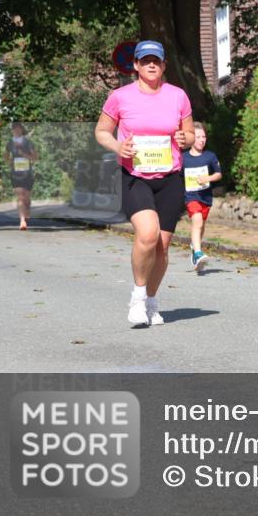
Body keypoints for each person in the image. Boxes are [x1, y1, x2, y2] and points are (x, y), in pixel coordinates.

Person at [94, 40, 193, 327]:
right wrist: (118, 146)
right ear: (136, 65)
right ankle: (137, 298)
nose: (151, 65)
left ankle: (151, 301)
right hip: (135, 177)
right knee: (148, 234)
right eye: (145, 60)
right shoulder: (120, 97)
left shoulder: (178, 96)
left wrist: (184, 139)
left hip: (170, 178)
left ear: (163, 65)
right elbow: (102, 131)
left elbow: (189, 134)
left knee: (162, 247)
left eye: (156, 61)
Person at [182, 121, 222, 272]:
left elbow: (218, 174)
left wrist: (208, 178)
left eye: (203, 137)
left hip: (205, 198)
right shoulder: (183, 158)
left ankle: (195, 247)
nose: (201, 140)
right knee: (197, 221)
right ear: (191, 138)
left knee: (201, 225)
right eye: (198, 137)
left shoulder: (210, 156)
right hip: (191, 197)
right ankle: (198, 253)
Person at [4, 122, 39, 230]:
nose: (17, 130)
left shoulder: (28, 142)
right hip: (16, 174)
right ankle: (22, 221)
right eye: (15, 129)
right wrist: (9, 162)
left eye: (19, 129)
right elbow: (5, 156)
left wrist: (23, 154)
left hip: (27, 173)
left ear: (22, 130)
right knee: (20, 196)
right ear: (12, 130)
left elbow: (35, 158)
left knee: (26, 198)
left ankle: (27, 210)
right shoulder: (9, 143)